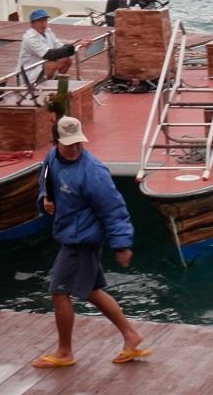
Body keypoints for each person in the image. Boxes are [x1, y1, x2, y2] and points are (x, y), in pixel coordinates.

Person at [32, 116, 152, 368]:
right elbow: (46, 178)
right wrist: (45, 198)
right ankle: (131, 336)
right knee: (90, 291)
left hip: (81, 241)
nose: (74, 148)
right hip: (69, 235)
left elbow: (114, 210)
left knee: (58, 290)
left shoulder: (93, 172)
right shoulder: (52, 158)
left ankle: (64, 352)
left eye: (78, 143)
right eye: (68, 144)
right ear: (55, 143)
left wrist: (121, 245)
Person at [17, 9, 77, 84]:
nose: (43, 23)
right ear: (32, 24)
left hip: (41, 66)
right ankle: (43, 87)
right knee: (51, 65)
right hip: (28, 72)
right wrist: (70, 49)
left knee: (66, 60)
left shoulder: (48, 31)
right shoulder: (29, 38)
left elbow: (60, 47)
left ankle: (55, 84)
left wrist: (77, 45)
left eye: (45, 20)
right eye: (39, 21)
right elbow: (48, 55)